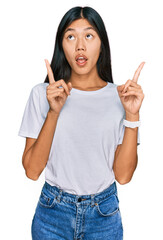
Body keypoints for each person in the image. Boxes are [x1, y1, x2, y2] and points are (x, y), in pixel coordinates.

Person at [18, 6, 145, 240]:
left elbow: (124, 176)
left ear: (101, 43)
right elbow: (32, 171)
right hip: (52, 216)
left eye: (89, 35)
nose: (80, 46)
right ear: (61, 45)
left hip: (104, 216)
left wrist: (132, 116)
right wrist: (54, 112)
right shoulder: (42, 94)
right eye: (70, 36)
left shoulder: (121, 98)